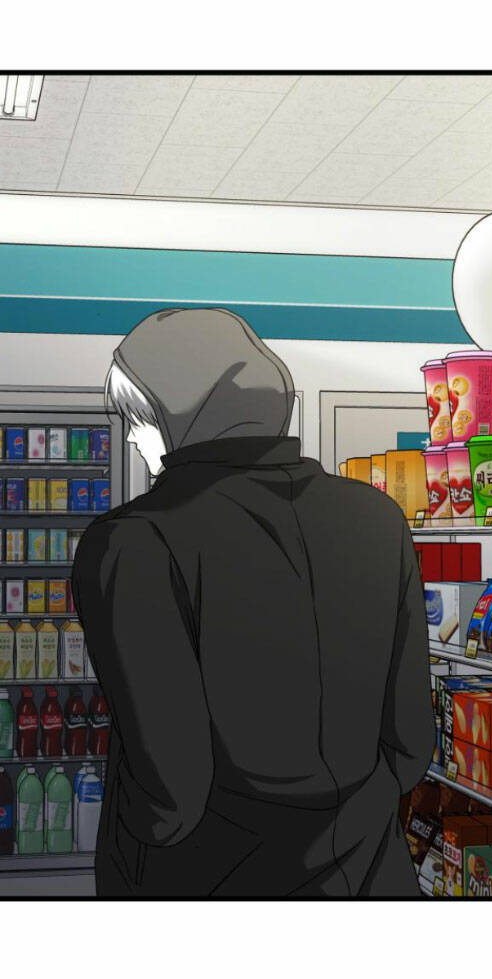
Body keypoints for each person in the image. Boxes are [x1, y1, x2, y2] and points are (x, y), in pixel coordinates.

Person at [72, 307, 435, 898]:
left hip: (207, 885)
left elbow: (170, 796)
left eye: (139, 417)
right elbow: (411, 745)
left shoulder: (133, 541)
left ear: (180, 415)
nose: (133, 437)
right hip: (369, 875)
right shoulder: (377, 518)